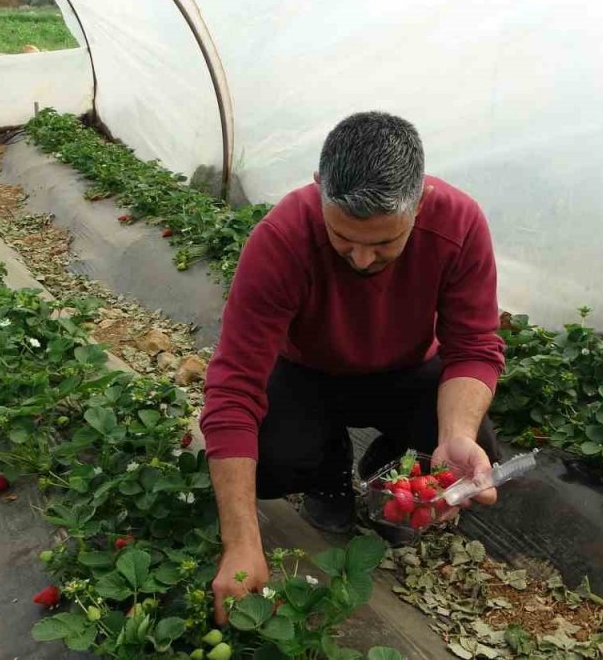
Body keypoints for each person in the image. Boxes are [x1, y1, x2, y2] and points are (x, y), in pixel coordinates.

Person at [199, 111, 505, 624]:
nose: (361, 259)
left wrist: (454, 432)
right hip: (308, 374)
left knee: (475, 450)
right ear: (319, 189)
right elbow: (233, 387)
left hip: (408, 371)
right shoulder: (281, 239)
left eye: (384, 244)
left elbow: (472, 344)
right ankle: (327, 469)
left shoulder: (459, 223)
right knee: (270, 462)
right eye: (344, 238)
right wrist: (241, 541)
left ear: (420, 203)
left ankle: (390, 466)